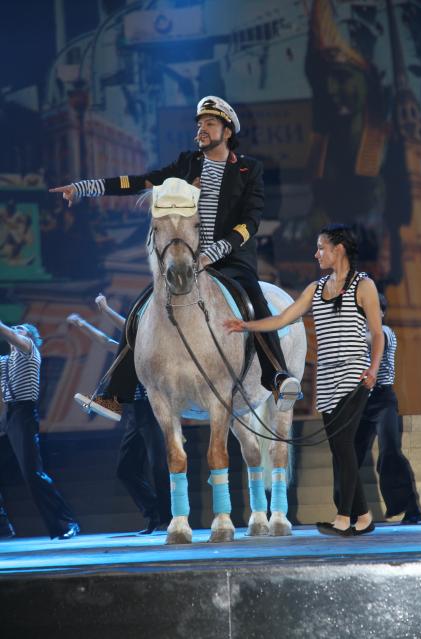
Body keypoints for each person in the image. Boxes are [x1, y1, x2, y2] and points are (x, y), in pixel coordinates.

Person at [49, 95, 301, 420]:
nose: (202, 129)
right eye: (200, 124)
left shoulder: (248, 169)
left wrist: (215, 252)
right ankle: (113, 392)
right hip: (187, 259)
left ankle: (277, 377)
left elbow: (250, 222)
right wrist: (86, 187)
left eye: (209, 124)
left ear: (227, 131)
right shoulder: (187, 164)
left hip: (229, 259)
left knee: (255, 301)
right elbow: (139, 182)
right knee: (140, 309)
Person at [225, 223, 384, 536]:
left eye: (321, 247)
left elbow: (377, 333)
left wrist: (373, 369)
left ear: (338, 250)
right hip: (326, 378)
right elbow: (283, 318)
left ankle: (343, 518)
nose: (317, 254)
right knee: (339, 449)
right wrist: (246, 325)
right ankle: (363, 516)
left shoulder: (364, 286)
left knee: (343, 444)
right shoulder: (316, 288)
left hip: (354, 374)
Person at [67, 306, 171, 533]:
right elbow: (105, 341)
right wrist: (82, 325)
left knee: (159, 467)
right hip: (134, 414)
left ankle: (167, 517)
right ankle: (153, 513)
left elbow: (125, 325)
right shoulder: (126, 352)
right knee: (125, 469)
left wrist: (104, 308)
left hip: (154, 411)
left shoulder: (151, 349)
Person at [344, 294, 421, 525]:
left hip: (383, 400)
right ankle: (349, 511)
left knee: (390, 452)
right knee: (350, 456)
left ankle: (410, 509)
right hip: (359, 402)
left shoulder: (385, 332)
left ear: (382, 314)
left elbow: (371, 338)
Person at [0, 321, 79, 539]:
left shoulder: (28, 348)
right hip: (9, 417)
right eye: (14, 328)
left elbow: (7, 332)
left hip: (24, 415)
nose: (16, 330)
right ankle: (3, 525)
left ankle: (66, 523)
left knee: (32, 474)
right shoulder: (5, 361)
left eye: (20, 328)